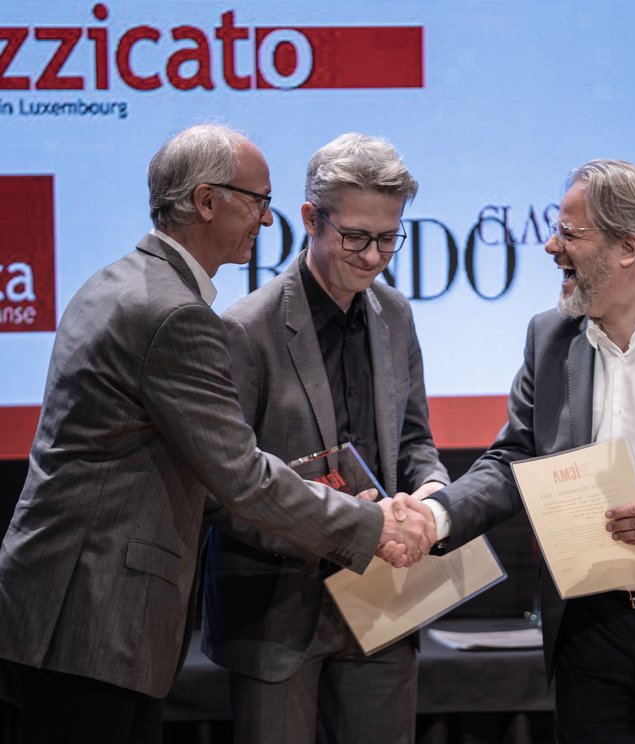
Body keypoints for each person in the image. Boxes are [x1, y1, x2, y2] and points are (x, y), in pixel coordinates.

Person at [0, 124, 433, 744]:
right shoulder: (178, 314)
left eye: (387, 239)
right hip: (97, 610)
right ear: (206, 201)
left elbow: (413, 438)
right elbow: (241, 478)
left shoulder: (119, 281)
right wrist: (374, 527)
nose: (264, 218)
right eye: (257, 200)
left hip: (65, 602)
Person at [402, 160, 635, 743]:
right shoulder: (550, 337)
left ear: (628, 247)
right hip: (590, 633)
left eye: (568, 232)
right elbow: (514, 460)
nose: (549, 245)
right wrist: (435, 515)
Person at [201, 132, 449, 744]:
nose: (372, 257)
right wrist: (339, 522)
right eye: (355, 237)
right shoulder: (244, 329)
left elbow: (414, 439)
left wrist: (434, 492)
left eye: (388, 238)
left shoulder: (396, 315)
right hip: (278, 610)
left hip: (384, 598)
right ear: (311, 218)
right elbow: (220, 489)